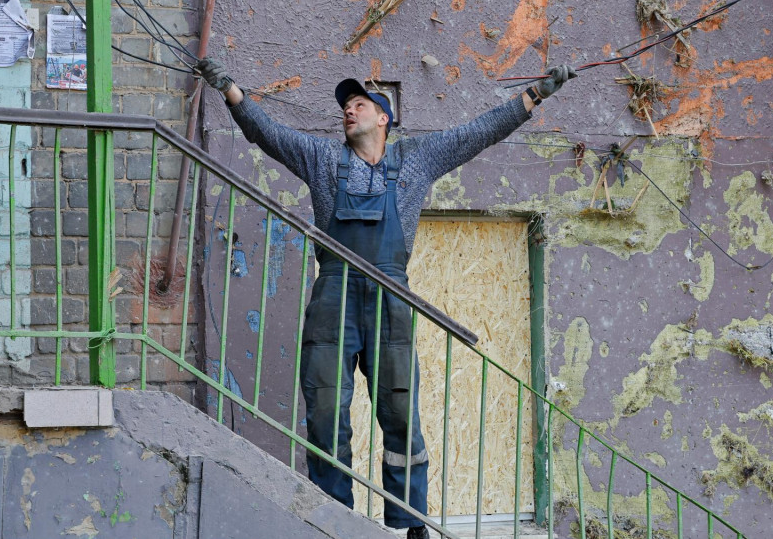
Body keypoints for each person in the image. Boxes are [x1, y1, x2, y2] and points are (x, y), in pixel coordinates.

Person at [195, 57, 575, 538]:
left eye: (357, 105)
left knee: (399, 413)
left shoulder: (417, 158)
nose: (348, 113)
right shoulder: (322, 159)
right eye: (345, 108)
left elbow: (481, 131)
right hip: (334, 295)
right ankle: (333, 521)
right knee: (327, 411)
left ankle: (406, 524)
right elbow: (268, 133)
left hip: (390, 297)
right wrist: (230, 89)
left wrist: (536, 94)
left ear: (383, 117)